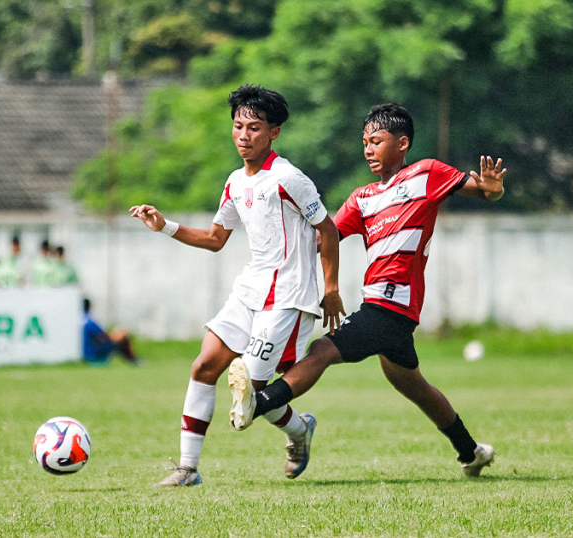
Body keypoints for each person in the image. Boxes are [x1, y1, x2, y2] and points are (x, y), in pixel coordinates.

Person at [229, 102, 505, 478]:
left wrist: (492, 189)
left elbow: (484, 191)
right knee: (415, 387)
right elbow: (323, 238)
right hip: (383, 307)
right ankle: (471, 452)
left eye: (377, 141)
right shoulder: (362, 198)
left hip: (393, 305)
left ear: (402, 143)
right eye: (365, 142)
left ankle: (258, 404)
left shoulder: (426, 173)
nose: (368, 150)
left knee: (323, 350)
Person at [129, 84, 345, 487]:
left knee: (251, 397)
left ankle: (298, 430)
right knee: (205, 366)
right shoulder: (234, 182)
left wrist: (330, 289)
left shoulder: (289, 178)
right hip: (250, 291)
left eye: (254, 128)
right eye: (238, 126)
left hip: (288, 296)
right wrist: (165, 227)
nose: (244, 136)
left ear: (274, 132)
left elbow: (328, 232)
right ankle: (187, 469)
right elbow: (215, 239)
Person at [82, 298, 139, 365]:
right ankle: (134, 360)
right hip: (92, 353)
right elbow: (103, 336)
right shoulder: (89, 321)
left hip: (88, 351)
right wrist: (117, 335)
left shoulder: (80, 319)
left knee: (121, 337)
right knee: (124, 340)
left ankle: (133, 360)